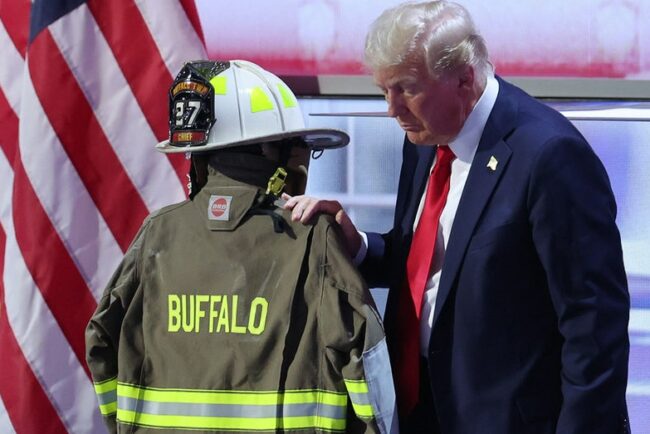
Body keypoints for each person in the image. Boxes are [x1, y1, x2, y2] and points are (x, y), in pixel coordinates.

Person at [283, 2, 631, 433]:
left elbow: (594, 328)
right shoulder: (426, 136)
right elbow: (430, 263)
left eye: (406, 88)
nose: (392, 109)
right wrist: (358, 246)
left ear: (465, 77)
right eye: (383, 90)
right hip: (419, 410)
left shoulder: (550, 156)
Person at [85, 60, 398, 434]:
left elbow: (100, 339)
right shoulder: (312, 237)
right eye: (298, 148)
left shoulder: (156, 234)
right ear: (274, 154)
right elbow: (367, 359)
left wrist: (126, 424)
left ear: (200, 160)